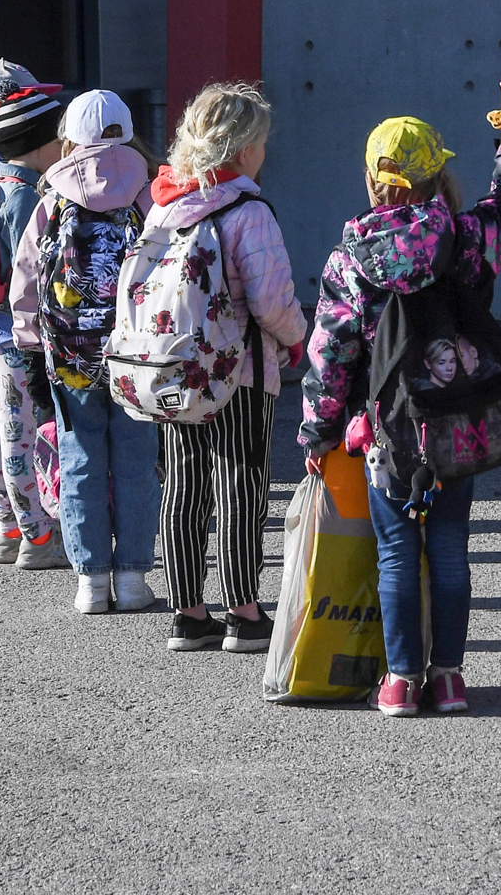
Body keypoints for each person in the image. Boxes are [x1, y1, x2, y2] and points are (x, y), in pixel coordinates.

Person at [299, 70, 501, 714]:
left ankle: (400, 680)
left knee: (394, 549)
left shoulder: (352, 257)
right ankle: (449, 677)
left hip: (386, 427)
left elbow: (330, 352)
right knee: (448, 546)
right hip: (455, 416)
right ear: (437, 176)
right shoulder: (467, 239)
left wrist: (320, 429)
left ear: (372, 179)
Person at [152, 83, 307, 652]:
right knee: (241, 483)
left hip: (174, 369)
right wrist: (297, 338)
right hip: (238, 370)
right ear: (243, 150)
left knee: (184, 484)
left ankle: (187, 613)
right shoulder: (248, 209)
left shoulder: (166, 205)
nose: (265, 154)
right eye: (262, 143)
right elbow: (272, 302)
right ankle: (243, 610)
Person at [10, 89, 158, 606]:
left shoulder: (52, 196)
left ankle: (91, 581)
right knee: (138, 461)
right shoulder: (151, 191)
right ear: (127, 131)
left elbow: (27, 282)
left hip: (71, 356)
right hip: (140, 355)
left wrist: (30, 352)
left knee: (80, 459)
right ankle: (135, 578)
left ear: (69, 138)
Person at [0, 79, 72, 570]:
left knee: (2, 426)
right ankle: (36, 535)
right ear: (38, 143)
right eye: (60, 138)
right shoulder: (25, 196)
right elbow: (29, 273)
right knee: (20, 434)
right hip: (16, 330)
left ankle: (8, 526)